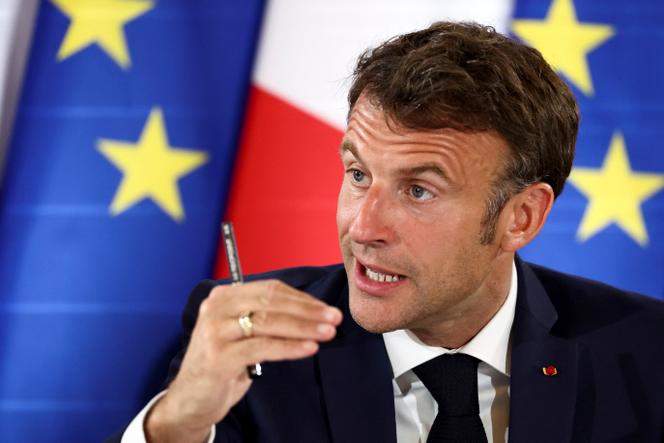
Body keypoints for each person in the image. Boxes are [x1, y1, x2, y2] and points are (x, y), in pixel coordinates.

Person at [112, 22, 664, 443]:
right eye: (358, 175)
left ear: (520, 217)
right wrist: (175, 424)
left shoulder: (645, 350)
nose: (362, 226)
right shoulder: (250, 349)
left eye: (418, 190)